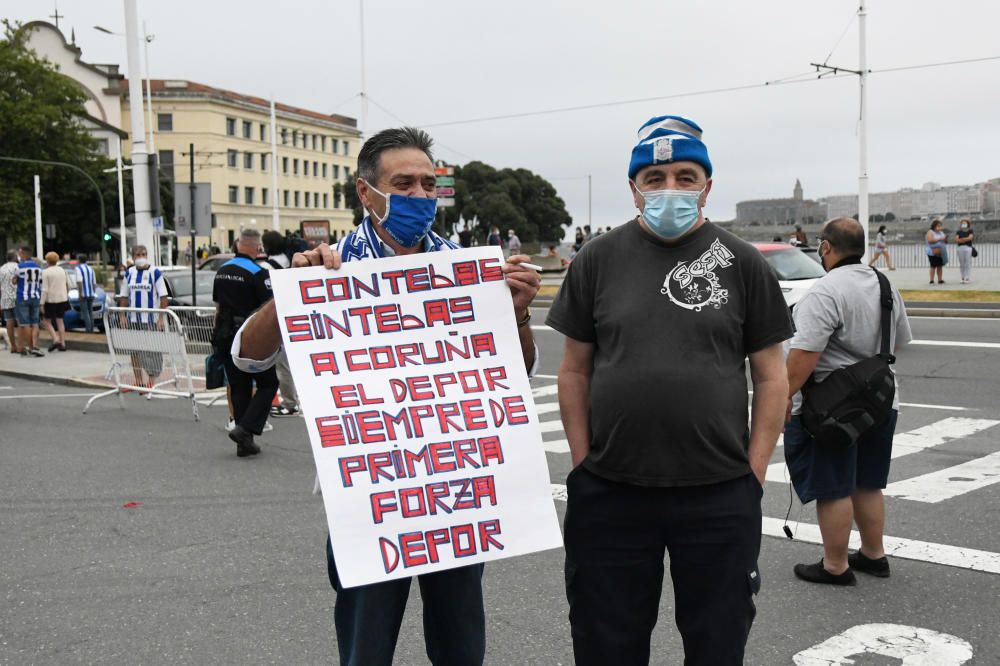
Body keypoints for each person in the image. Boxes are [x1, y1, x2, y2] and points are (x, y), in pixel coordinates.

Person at [231, 127, 540, 666]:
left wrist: (515, 313)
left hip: (455, 487)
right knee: (365, 646)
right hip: (372, 498)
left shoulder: (465, 270)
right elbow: (246, 357)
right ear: (365, 192)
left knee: (461, 641)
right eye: (404, 184)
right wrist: (290, 293)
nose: (421, 196)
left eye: (429, 184)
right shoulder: (328, 267)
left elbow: (517, 369)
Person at [547, 115, 791, 665]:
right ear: (634, 189)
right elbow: (574, 371)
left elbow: (772, 377)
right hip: (610, 492)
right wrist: (584, 466)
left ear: (708, 185)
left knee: (717, 643)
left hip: (719, 493)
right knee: (606, 641)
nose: (670, 189)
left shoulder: (743, 264)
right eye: (654, 178)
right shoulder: (596, 260)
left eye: (685, 175)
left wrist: (752, 474)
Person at [784, 217, 912, 586]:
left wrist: (783, 399)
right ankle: (874, 554)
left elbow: (803, 356)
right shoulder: (885, 285)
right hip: (882, 400)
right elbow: (899, 340)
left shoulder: (824, 292)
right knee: (869, 482)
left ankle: (835, 566)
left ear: (825, 247)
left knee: (834, 485)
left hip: (833, 409)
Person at [211, 228, 278, 457]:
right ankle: (246, 428)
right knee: (268, 383)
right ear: (258, 248)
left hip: (225, 333)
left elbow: (218, 307)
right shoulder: (259, 273)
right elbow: (269, 310)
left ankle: (244, 442)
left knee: (239, 386)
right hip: (251, 335)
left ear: (238, 245)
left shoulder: (221, 271)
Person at [118, 245, 168, 388]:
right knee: (134, 351)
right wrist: (122, 316)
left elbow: (163, 297)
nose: (141, 257)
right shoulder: (129, 273)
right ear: (133, 257)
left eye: (143, 254)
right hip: (133, 319)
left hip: (150, 319)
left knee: (152, 350)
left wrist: (160, 318)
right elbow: (124, 297)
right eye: (138, 254)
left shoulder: (155, 272)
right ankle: (138, 380)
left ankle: (151, 381)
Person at [14, 247, 45, 357]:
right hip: (35, 297)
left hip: (22, 297)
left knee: (25, 323)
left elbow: (14, 280)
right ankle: (35, 346)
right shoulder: (39, 268)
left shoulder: (20, 267)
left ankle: (30, 347)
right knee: (35, 322)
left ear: (23, 254)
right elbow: (41, 283)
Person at [40, 252, 70, 352]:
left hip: (51, 299)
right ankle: (63, 343)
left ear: (47, 261)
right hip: (62, 298)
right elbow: (67, 284)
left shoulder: (46, 272)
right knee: (60, 320)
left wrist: (42, 303)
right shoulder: (62, 270)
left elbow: (44, 289)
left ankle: (55, 339)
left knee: (46, 321)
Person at [1, 251, 22, 354]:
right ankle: (20, 345)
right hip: (17, 297)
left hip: (5, 298)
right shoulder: (18, 267)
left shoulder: (2, 268)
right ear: (15, 257)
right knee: (19, 322)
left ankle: (13, 346)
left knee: (9, 321)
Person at [75, 254, 98, 333]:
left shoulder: (78, 269)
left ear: (79, 260)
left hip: (84, 293)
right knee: (90, 311)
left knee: (85, 312)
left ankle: (88, 329)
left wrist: (80, 293)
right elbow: (94, 283)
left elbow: (79, 282)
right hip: (91, 293)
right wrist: (94, 292)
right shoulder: (90, 268)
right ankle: (91, 328)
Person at [925, 219, 947, 284]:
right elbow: (930, 240)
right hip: (932, 252)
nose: (940, 227)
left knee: (940, 266)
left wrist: (945, 239)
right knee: (933, 266)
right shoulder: (930, 232)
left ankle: (940, 279)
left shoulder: (941, 232)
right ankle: (931, 280)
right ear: (934, 226)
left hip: (940, 251)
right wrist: (940, 239)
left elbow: (944, 240)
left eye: (940, 226)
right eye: (938, 226)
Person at [955, 219, 974, 284]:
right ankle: (962, 277)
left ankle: (967, 277)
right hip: (960, 248)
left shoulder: (970, 231)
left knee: (967, 263)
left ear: (967, 224)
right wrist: (966, 239)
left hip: (968, 248)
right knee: (962, 263)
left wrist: (962, 239)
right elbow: (957, 240)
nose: (963, 224)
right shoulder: (958, 231)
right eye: (962, 223)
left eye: (965, 223)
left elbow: (970, 238)